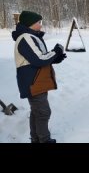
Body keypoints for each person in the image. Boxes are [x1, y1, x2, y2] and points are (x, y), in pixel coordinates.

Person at [12, 10, 66, 143]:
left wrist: (55, 58)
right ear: (30, 23)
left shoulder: (32, 37)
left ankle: (36, 139)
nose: (41, 25)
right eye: (38, 22)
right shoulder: (25, 37)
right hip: (33, 81)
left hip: (37, 80)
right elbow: (39, 59)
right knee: (43, 112)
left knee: (37, 111)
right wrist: (55, 51)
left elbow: (38, 58)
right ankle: (44, 140)